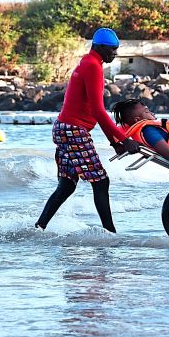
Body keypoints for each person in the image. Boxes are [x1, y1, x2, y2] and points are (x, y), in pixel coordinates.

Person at [35, 29, 137, 233]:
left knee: (66, 186)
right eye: (112, 50)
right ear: (99, 47)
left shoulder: (88, 62)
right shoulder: (92, 66)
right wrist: (124, 139)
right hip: (73, 130)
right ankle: (110, 233)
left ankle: (39, 228)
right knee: (101, 181)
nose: (115, 54)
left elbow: (94, 111)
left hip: (64, 128)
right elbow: (99, 111)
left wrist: (114, 142)